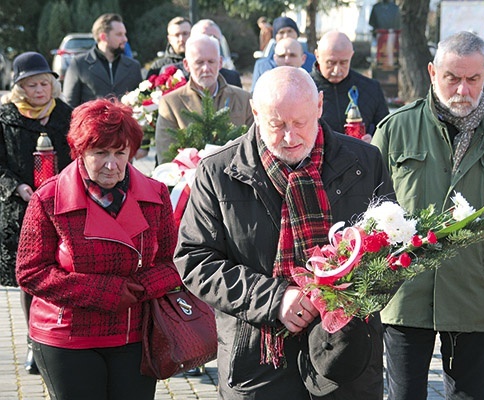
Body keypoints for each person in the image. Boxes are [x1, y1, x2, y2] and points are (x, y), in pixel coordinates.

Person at [173, 66, 394, 399]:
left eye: (301, 123)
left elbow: (393, 247)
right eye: (277, 125)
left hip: (347, 357)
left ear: (319, 106)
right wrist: (276, 299)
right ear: (255, 113)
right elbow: (194, 260)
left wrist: (343, 299)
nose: (290, 138)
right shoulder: (218, 172)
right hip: (257, 358)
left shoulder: (365, 161)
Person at [371, 31, 484, 400]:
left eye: (473, 79)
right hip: (405, 294)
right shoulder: (395, 130)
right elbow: (367, 214)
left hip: (476, 296)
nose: (462, 90)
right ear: (432, 72)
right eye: (452, 78)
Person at [15, 98, 182, 400]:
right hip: (66, 337)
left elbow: (173, 263)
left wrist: (138, 288)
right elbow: (30, 272)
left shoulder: (156, 194)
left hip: (134, 334)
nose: (112, 164)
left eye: (121, 153)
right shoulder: (48, 198)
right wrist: (104, 292)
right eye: (100, 152)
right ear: (79, 152)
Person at [0, 52, 73, 375]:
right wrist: (16, 187)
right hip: (22, 211)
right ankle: (34, 344)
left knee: (65, 274)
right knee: (32, 280)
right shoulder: (6, 118)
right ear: (19, 88)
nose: (41, 90)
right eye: (32, 85)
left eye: (45, 83)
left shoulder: (66, 114)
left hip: (65, 206)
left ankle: (62, 339)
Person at [155, 34, 253, 164]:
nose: (206, 68)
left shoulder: (243, 99)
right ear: (186, 65)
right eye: (199, 62)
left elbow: (254, 149)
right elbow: (166, 156)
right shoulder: (171, 103)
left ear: (220, 63)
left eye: (211, 61)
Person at [311, 31, 389, 136]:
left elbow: (386, 130)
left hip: (360, 151)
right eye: (331, 63)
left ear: (351, 56)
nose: (337, 70)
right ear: (317, 56)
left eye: (343, 63)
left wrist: (374, 140)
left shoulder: (371, 88)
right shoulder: (304, 88)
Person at [63, 13, 143, 108]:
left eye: (124, 34)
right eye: (119, 34)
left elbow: (141, 103)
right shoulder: (79, 64)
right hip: (90, 122)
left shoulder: (133, 66)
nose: (125, 39)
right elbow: (69, 105)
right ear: (103, 37)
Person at [160, 19, 242, 88]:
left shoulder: (232, 78)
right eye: (202, 37)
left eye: (214, 38)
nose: (208, 43)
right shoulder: (170, 73)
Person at [251, 16, 316, 91]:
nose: (286, 35)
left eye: (290, 31)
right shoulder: (262, 65)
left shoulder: (312, 61)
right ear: (275, 36)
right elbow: (255, 93)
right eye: (281, 32)